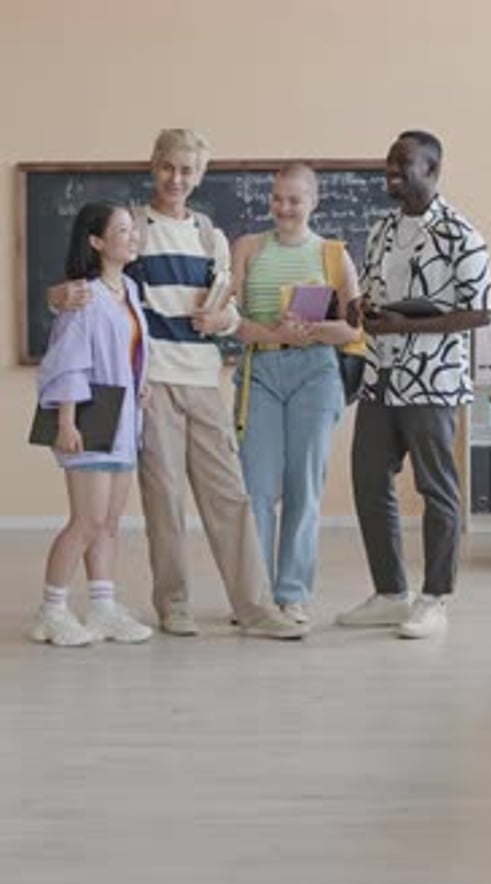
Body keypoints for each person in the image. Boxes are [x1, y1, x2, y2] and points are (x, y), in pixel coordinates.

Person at [49, 128, 304, 641]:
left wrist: (223, 320)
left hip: (204, 381)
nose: (177, 179)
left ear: (200, 176)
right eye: (168, 167)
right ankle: (173, 604)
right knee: (164, 500)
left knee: (229, 497)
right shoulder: (131, 229)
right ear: (154, 166)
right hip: (153, 384)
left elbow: (228, 311)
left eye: (188, 170)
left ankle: (255, 607)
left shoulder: (210, 237)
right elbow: (86, 286)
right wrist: (56, 296)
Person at [336, 130, 491, 639]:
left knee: (436, 487)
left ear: (432, 169)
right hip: (381, 377)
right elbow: (371, 292)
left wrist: (406, 327)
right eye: (389, 161)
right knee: (368, 480)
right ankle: (390, 595)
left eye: (403, 163)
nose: (391, 171)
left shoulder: (461, 233)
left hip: (433, 381)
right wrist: (359, 309)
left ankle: (434, 599)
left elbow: (479, 312)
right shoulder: (381, 228)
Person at [193, 163, 362, 626]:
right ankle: (256, 596)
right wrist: (273, 331)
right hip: (261, 371)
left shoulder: (333, 255)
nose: (284, 208)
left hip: (316, 373)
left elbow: (353, 328)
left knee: (304, 486)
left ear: (313, 202)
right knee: (257, 488)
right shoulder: (248, 247)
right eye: (277, 198)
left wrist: (312, 330)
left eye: (294, 199)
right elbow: (229, 316)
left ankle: (292, 594)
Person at [32, 202, 153, 646]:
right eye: (122, 230)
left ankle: (103, 608)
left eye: (132, 229)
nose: (132, 236)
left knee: (109, 523)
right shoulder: (82, 296)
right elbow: (70, 361)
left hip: (124, 416)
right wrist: (67, 422)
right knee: (86, 521)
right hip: (88, 416)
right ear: (97, 242)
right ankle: (51, 611)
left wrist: (140, 383)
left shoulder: (130, 290)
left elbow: (130, 349)